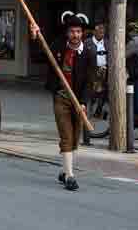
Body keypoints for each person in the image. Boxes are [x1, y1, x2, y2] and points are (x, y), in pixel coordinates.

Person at [32, 12, 95, 191]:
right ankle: (70, 176)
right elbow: (41, 53)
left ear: (82, 33)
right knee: (66, 136)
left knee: (75, 138)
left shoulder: (88, 53)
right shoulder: (59, 47)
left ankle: (64, 170)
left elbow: (90, 82)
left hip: (79, 100)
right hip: (61, 97)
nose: (75, 35)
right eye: (72, 31)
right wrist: (36, 36)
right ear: (67, 33)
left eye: (78, 31)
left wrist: (83, 102)